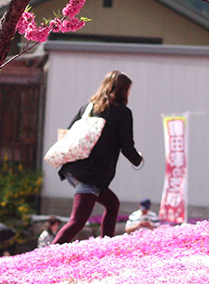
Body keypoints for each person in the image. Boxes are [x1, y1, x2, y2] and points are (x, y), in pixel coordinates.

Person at [53, 70, 144, 244]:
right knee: (77, 221)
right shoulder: (122, 113)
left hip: (73, 168)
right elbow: (127, 146)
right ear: (123, 91)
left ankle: (106, 244)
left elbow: (67, 133)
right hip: (91, 174)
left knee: (112, 204)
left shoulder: (87, 108)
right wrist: (138, 160)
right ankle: (47, 254)